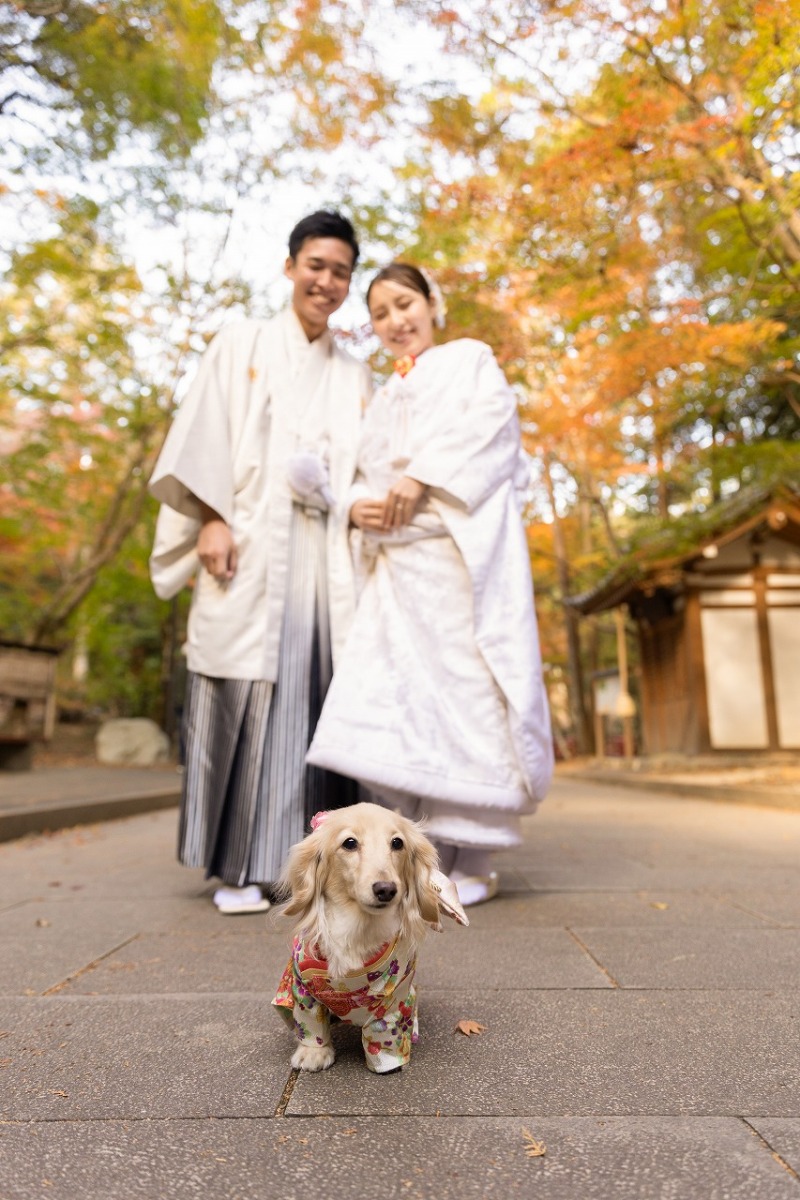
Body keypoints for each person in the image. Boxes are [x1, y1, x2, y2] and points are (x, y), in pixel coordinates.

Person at [306, 262, 553, 906]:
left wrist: (422, 478)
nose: (396, 321)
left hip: (455, 557)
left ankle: (474, 858)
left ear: (432, 303)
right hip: (401, 570)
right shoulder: (384, 396)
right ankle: (423, 858)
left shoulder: (470, 359)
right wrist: (358, 505)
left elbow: (494, 427)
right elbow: (364, 470)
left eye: (405, 303)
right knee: (402, 700)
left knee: (466, 694)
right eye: (381, 313)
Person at [148, 210, 371, 915]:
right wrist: (210, 516)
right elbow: (205, 433)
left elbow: (369, 464)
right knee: (240, 692)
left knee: (315, 701)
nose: (326, 281)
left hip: (325, 554)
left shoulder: (353, 372)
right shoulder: (242, 341)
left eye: (340, 271)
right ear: (290, 266)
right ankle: (237, 866)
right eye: (316, 265)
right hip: (249, 540)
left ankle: (317, 874)